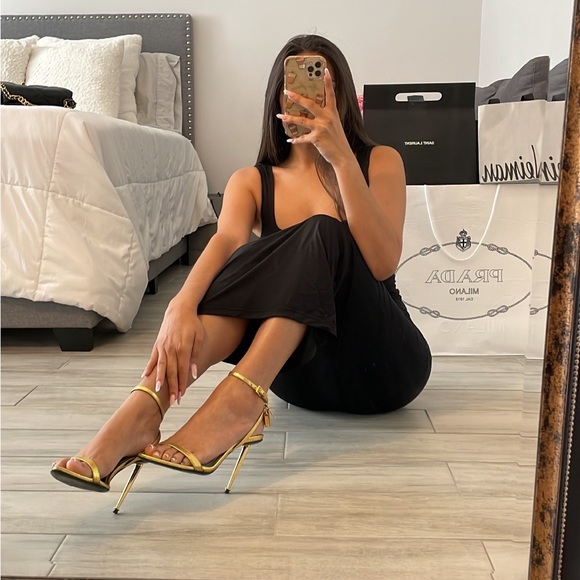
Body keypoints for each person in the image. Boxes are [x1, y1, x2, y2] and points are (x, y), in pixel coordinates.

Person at [51, 34, 432, 512]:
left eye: (320, 85)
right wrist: (180, 306)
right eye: (295, 86)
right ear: (277, 97)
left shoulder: (380, 161)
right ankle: (145, 406)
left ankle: (238, 400)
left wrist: (339, 157)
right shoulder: (252, 181)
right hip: (299, 377)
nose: (307, 98)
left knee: (322, 233)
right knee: (240, 263)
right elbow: (225, 242)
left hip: (385, 365)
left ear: (341, 96)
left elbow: (382, 263)